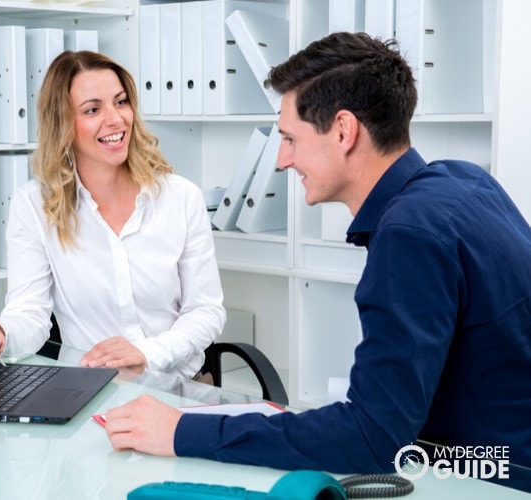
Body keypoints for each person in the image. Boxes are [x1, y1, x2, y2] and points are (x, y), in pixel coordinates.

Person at [103, 32, 531, 477]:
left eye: (290, 139)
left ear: (343, 131)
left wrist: (181, 432)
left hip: (493, 478)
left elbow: (372, 439)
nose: (283, 160)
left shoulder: (410, 234)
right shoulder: (459, 179)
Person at [0, 51, 225, 380]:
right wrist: (1, 332)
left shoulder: (180, 198)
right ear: (63, 124)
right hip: (91, 395)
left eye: (121, 102)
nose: (115, 119)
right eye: (93, 109)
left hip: (177, 388)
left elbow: (205, 311)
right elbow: (30, 314)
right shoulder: (35, 206)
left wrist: (147, 355)